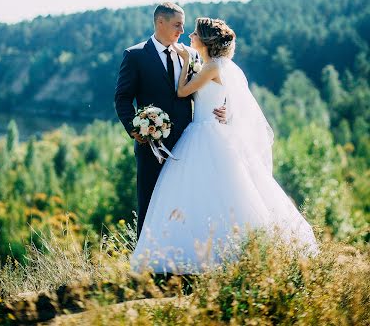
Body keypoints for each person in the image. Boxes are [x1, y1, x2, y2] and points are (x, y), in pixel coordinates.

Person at [131, 17, 318, 274]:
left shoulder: (211, 67)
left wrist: (186, 62)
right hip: (207, 130)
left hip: (204, 133)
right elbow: (229, 99)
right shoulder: (215, 65)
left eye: (195, 33)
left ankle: (212, 254)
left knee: (209, 191)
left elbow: (182, 92)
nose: (190, 36)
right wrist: (227, 111)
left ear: (205, 41)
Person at [114, 3, 226, 238]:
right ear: (160, 22)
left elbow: (215, 88)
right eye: (177, 25)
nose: (182, 30)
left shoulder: (192, 54)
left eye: (184, 25)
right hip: (151, 145)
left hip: (188, 143)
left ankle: (179, 258)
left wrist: (225, 109)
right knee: (150, 201)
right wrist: (134, 128)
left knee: (185, 202)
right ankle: (145, 264)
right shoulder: (135, 55)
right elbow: (123, 98)